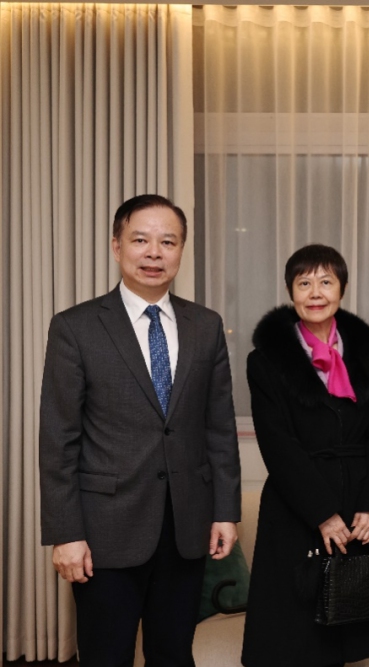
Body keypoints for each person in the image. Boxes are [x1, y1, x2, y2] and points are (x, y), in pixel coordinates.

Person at [39, 194, 241, 666]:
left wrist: (225, 511)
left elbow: (218, 427)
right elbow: (59, 439)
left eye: (168, 241)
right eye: (141, 240)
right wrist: (65, 533)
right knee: (105, 655)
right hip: (104, 530)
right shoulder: (76, 327)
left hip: (186, 526)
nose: (155, 253)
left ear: (181, 250)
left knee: (173, 654)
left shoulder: (205, 326)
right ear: (116, 247)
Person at [241, 244, 369, 666]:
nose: (315, 292)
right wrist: (323, 513)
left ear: (341, 289)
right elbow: (277, 444)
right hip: (297, 508)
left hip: (357, 502)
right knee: (292, 639)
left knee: (345, 628)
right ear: (291, 292)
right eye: (304, 282)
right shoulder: (267, 361)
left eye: (326, 281)